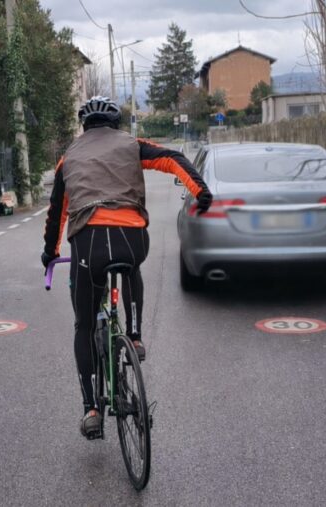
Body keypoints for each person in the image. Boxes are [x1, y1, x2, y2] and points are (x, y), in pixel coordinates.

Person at [42, 96, 212, 438]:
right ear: (115, 123)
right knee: (131, 267)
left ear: (84, 126)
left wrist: (51, 252)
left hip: (88, 242)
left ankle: (91, 408)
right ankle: (134, 338)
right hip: (131, 237)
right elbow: (173, 158)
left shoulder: (68, 157)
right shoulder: (133, 144)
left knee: (85, 326)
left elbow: (57, 211)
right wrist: (201, 192)